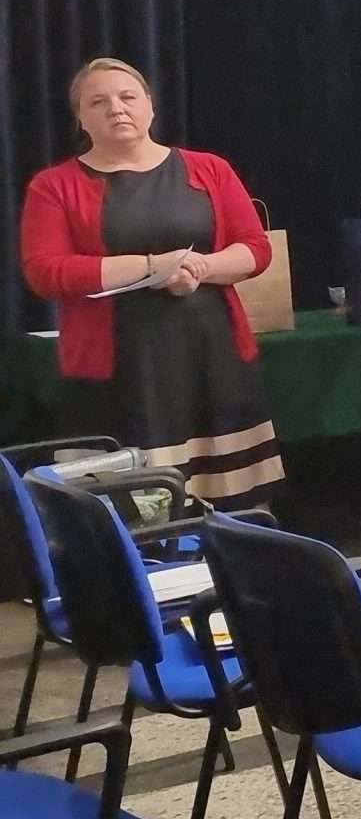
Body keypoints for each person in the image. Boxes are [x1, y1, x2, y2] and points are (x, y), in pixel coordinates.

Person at [18, 59, 286, 509]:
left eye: (128, 97)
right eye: (98, 102)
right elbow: (46, 271)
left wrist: (199, 268)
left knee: (234, 505)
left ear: (150, 105)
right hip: (119, 374)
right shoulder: (54, 185)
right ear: (80, 118)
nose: (116, 109)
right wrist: (149, 266)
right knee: (135, 511)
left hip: (212, 361)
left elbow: (255, 248)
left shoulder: (210, 168)